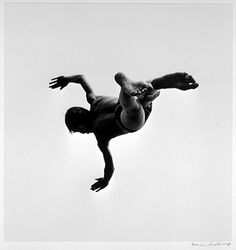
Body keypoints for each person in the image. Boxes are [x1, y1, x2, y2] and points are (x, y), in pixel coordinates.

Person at [49, 72, 198, 192]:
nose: (83, 133)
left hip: (131, 121)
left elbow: (110, 166)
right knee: (137, 92)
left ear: (81, 127)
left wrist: (105, 181)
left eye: (80, 131)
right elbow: (81, 79)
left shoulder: (100, 136)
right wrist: (66, 79)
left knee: (131, 106)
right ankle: (146, 86)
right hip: (129, 104)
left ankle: (136, 89)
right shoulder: (94, 100)